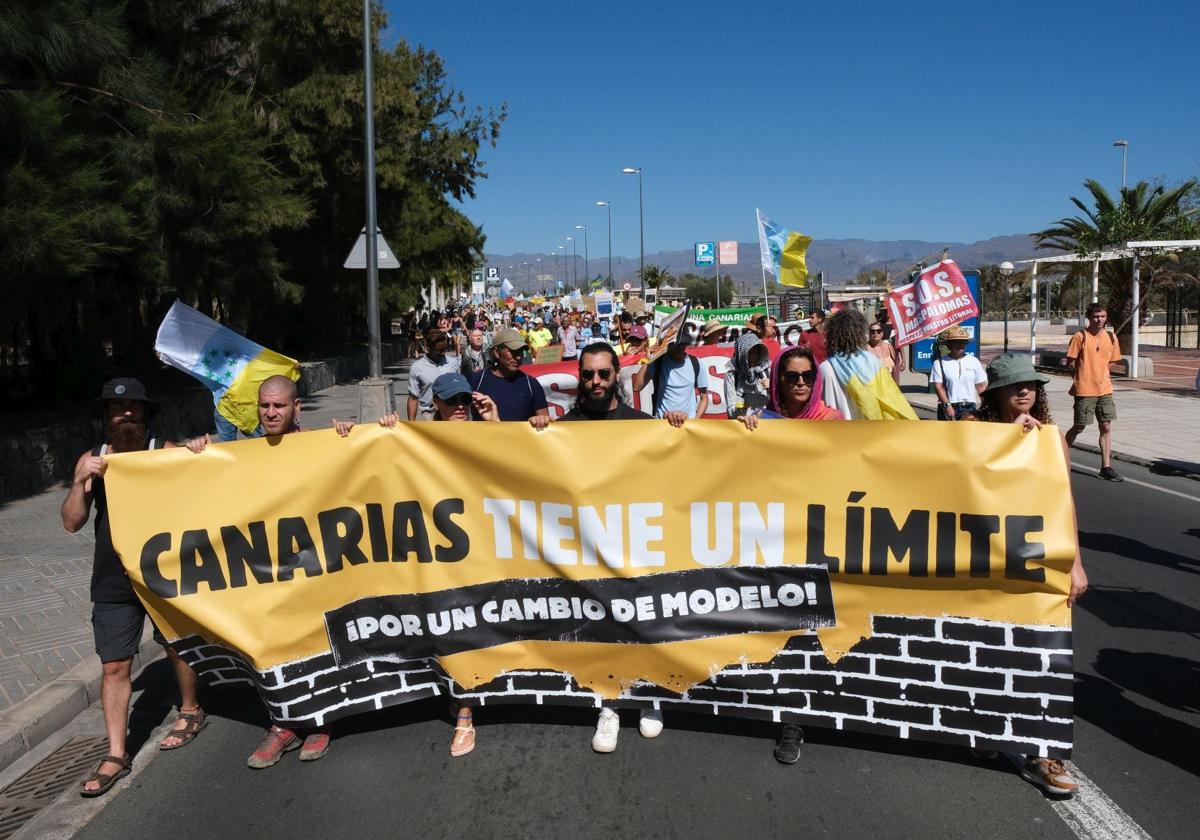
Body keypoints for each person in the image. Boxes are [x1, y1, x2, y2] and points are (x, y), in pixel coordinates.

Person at [184, 376, 334, 768]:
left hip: (313, 568)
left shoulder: (320, 444)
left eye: (279, 406)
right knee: (271, 646)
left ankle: (320, 720)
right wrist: (196, 452)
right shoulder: (241, 451)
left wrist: (354, 436)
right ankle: (282, 724)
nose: (270, 413)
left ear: (295, 408)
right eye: (264, 406)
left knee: (315, 640)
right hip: (264, 571)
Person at [64, 379, 204, 796]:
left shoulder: (164, 450)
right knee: (113, 665)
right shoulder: (93, 459)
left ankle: (191, 709)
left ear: (146, 413)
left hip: (163, 571)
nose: (125, 414)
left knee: (176, 644)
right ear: (105, 416)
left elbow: (208, 490)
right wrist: (78, 483)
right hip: (111, 577)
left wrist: (197, 453)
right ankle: (116, 753)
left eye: (133, 408)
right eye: (116, 408)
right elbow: (71, 522)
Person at [556, 343, 680, 750]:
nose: (595, 382)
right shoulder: (562, 428)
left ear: (616, 377)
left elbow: (676, 470)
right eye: (588, 375)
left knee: (644, 621)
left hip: (637, 546)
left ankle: (648, 698)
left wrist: (679, 430)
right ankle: (609, 705)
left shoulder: (642, 424)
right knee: (603, 627)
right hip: (589, 551)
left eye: (603, 374)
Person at [977, 353, 1088, 797]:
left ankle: (1043, 753)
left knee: (1041, 651)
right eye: (1014, 385)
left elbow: (1065, 502)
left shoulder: (1051, 440)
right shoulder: (976, 432)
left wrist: (1075, 562)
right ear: (997, 394)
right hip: (987, 561)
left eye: (1032, 385)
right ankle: (984, 730)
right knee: (989, 647)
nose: (1025, 391)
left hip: (1037, 561)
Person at [819, 309, 917, 420]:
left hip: (835, 432)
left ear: (831, 334)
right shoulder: (873, 363)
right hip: (870, 431)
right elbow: (891, 399)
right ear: (860, 334)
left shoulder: (824, 368)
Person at [1064, 303, 1123, 481]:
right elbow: (1071, 363)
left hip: (1105, 389)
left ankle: (1106, 467)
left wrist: (1102, 373)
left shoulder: (1112, 337)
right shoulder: (1080, 336)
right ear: (1090, 317)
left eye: (1103, 316)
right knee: (1079, 426)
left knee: (1106, 425)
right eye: (1097, 317)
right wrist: (1081, 378)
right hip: (1085, 389)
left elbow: (1112, 361)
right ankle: (1060, 457)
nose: (1100, 320)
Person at [739, 346, 844, 428]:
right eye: (792, 377)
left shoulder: (832, 420)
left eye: (808, 376)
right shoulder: (762, 419)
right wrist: (746, 428)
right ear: (778, 380)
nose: (800, 382)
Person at [466, 326, 551, 428]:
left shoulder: (531, 384)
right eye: (513, 351)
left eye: (521, 352)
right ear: (496, 352)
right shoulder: (476, 380)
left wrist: (539, 420)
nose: (518, 357)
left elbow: (545, 421)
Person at [632, 339, 709, 419]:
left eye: (682, 344)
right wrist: (649, 359)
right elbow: (637, 387)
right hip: (663, 424)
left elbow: (704, 397)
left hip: (688, 424)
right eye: (675, 345)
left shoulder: (696, 362)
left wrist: (696, 419)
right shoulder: (658, 362)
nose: (679, 348)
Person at [929, 326, 986, 421]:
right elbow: (939, 387)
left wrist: (985, 406)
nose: (960, 345)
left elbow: (981, 386)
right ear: (949, 344)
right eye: (956, 342)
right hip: (949, 407)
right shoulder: (939, 363)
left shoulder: (973, 361)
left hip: (970, 408)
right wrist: (947, 406)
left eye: (963, 342)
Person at [408, 329, 460, 421]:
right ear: (428, 347)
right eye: (439, 351)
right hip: (429, 415)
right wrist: (411, 424)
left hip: (451, 414)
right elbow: (413, 398)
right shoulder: (417, 367)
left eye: (444, 349)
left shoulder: (453, 363)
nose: (443, 353)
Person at [724, 316, 771, 417]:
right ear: (742, 354)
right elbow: (731, 408)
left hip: (767, 426)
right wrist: (745, 410)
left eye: (757, 353)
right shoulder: (732, 376)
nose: (754, 357)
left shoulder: (767, 372)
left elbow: (778, 404)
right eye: (750, 353)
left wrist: (772, 388)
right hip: (742, 427)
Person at [867, 320, 905, 385]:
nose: (876, 333)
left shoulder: (889, 346)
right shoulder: (865, 349)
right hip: (874, 385)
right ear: (869, 334)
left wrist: (903, 360)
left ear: (882, 334)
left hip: (888, 386)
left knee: (896, 383)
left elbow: (900, 344)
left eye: (878, 331)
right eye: (873, 332)